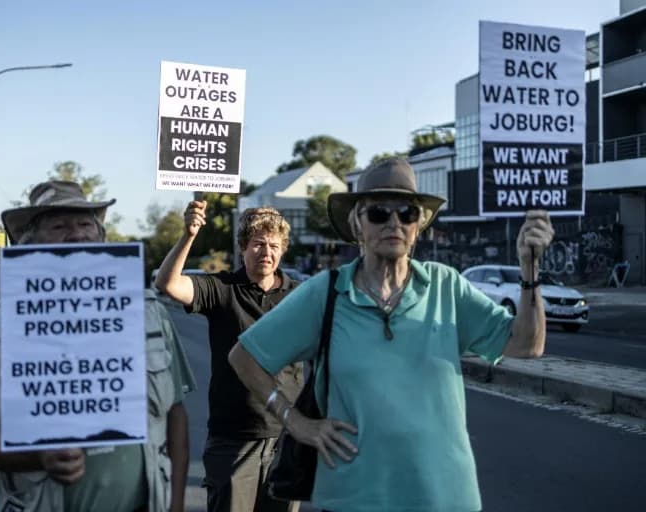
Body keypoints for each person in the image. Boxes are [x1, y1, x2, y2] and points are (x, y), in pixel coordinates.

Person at [228, 157, 555, 512]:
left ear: (419, 225)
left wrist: (529, 268)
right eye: (379, 213)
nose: (394, 223)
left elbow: (527, 344)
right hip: (353, 498)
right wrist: (295, 422)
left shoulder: (445, 286)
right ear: (357, 223)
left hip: (444, 498)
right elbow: (244, 357)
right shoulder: (326, 292)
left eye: (407, 213)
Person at [0, 180, 196, 512]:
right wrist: (38, 456)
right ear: (31, 245)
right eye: (59, 226)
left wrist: (175, 505)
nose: (76, 235)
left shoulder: (149, 314)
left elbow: (175, 416)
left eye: (85, 224)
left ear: (101, 237)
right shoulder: (0, 325)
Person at [155, 201, 301, 512]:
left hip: (287, 439)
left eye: (274, 246)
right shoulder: (223, 289)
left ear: (283, 250)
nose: (266, 252)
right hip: (234, 441)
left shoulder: (300, 296)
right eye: (258, 244)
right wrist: (189, 234)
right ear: (242, 247)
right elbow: (167, 284)